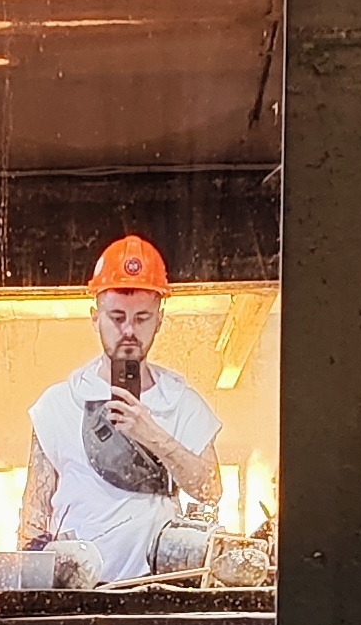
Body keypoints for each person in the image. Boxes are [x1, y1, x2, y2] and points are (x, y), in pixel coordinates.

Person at [19, 237, 219, 584]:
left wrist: (151, 434)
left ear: (159, 320)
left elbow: (210, 491)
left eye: (142, 318)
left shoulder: (184, 404)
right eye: (117, 317)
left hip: (160, 593)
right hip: (79, 597)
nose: (128, 330)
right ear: (95, 318)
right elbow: (32, 522)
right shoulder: (58, 406)